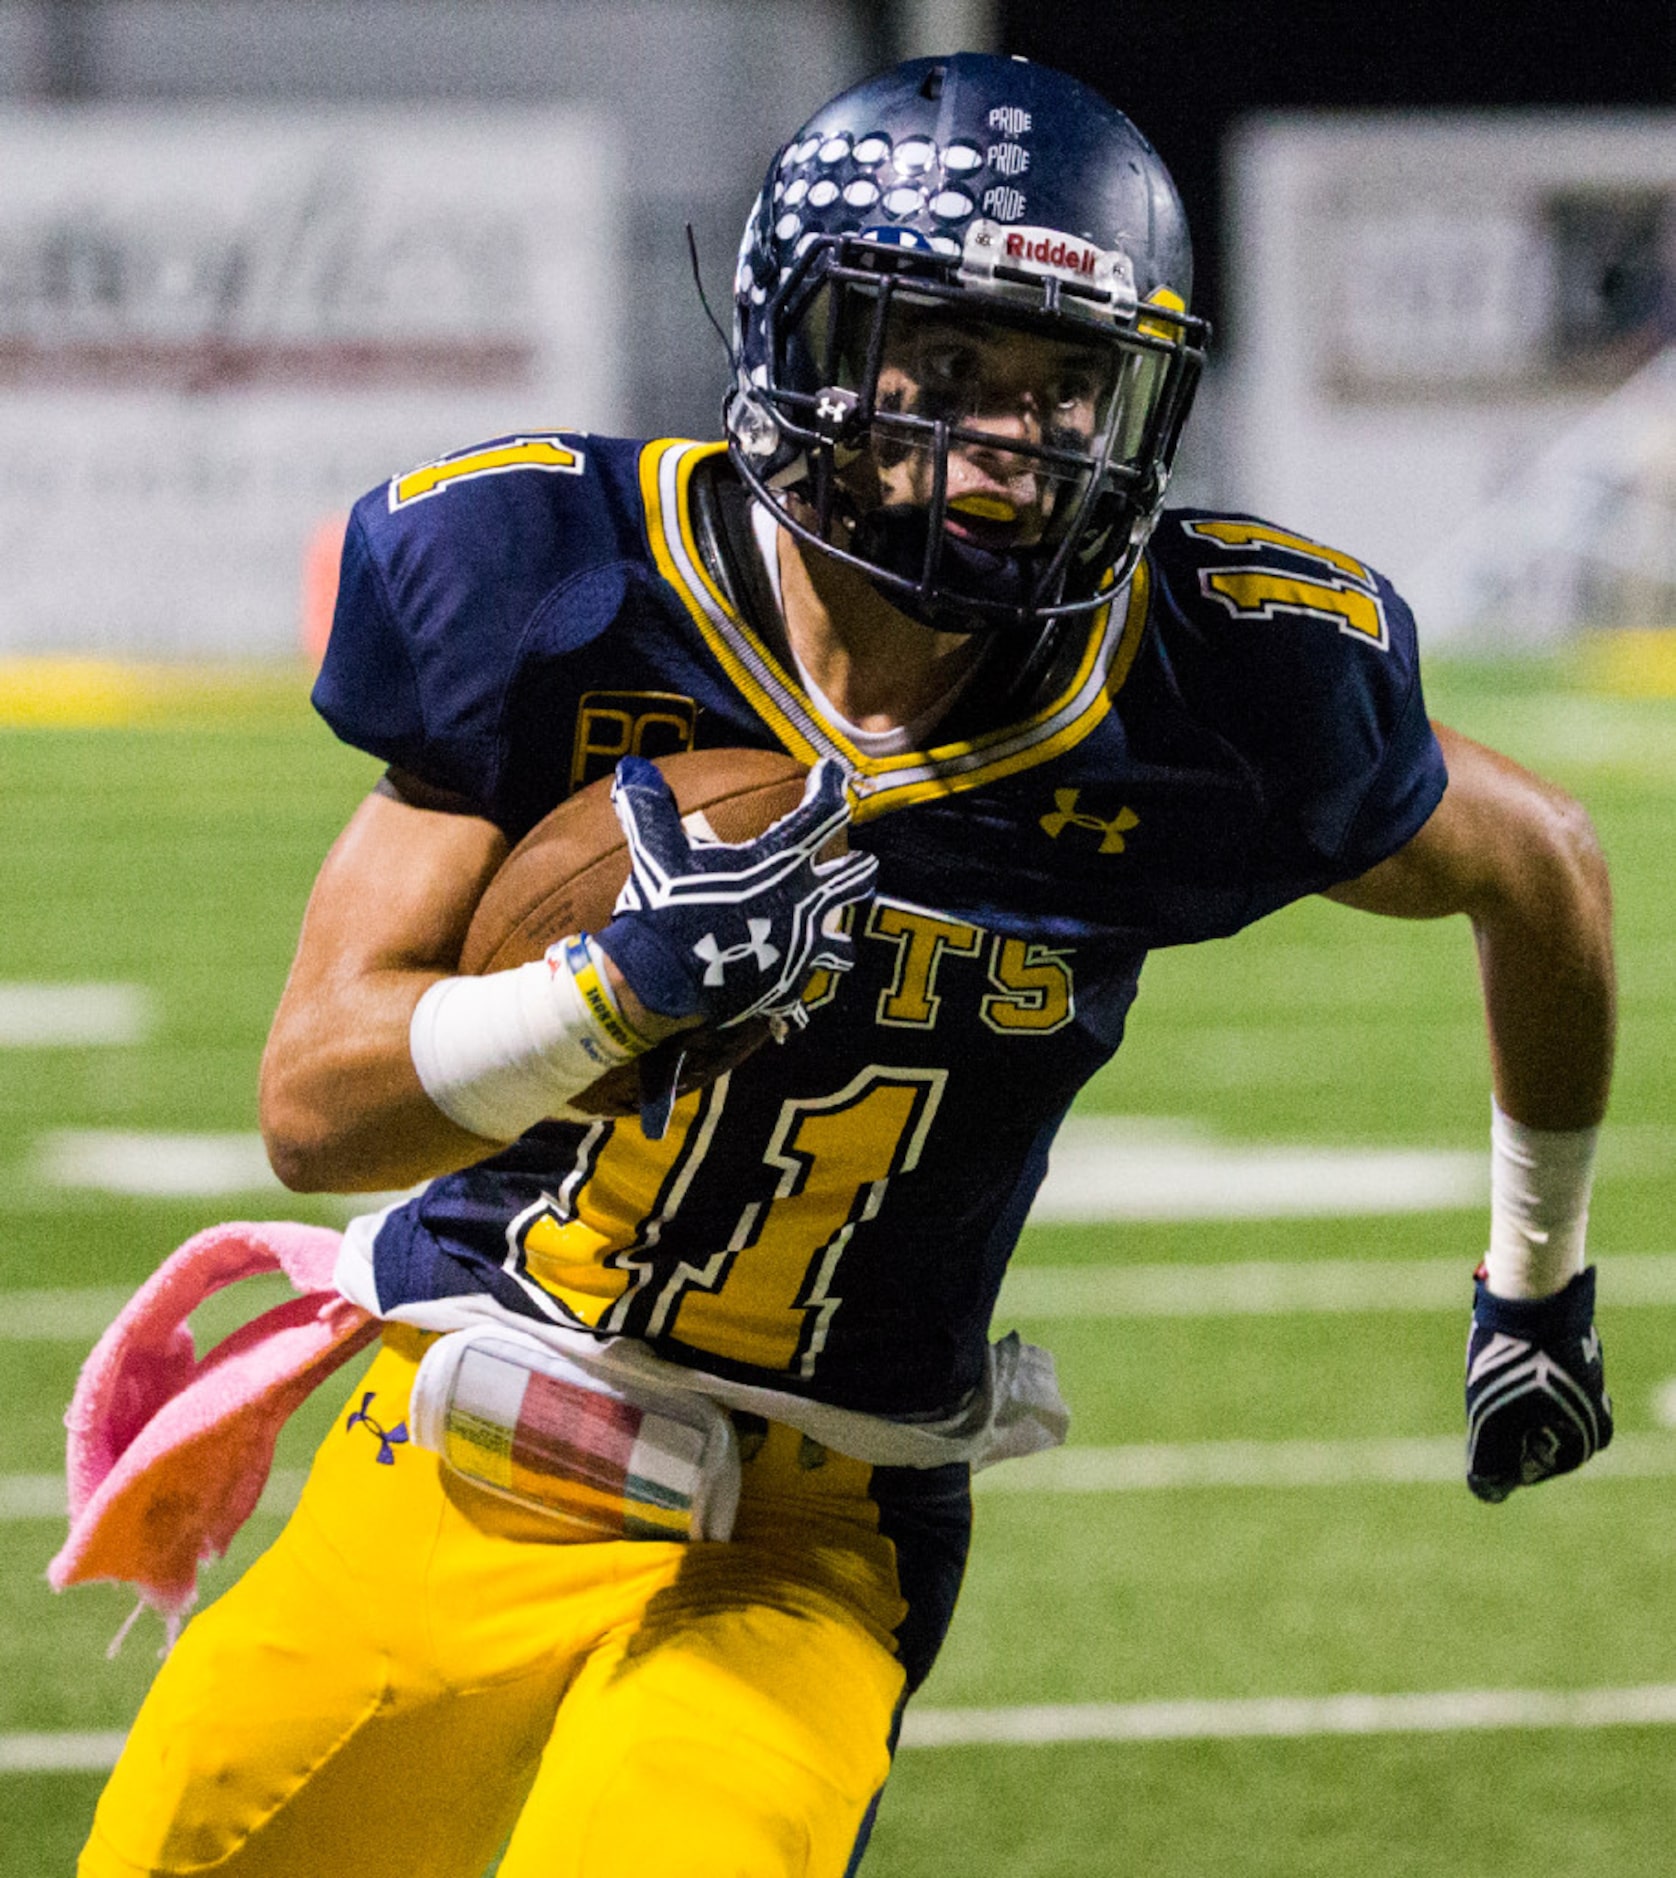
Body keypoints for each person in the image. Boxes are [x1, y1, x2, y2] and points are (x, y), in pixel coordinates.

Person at [78, 51, 1615, 1878]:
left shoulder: (1218, 684)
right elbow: (316, 1107)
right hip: (476, 1434)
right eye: (951, 371)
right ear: (806, 341)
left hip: (817, 1523)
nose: (1015, 441)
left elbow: (1546, 872)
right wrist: (613, 990)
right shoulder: (558, 581)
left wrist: (1540, 1284)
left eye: (1067, 386)